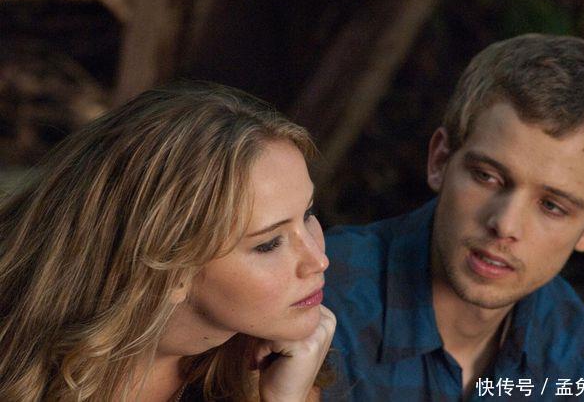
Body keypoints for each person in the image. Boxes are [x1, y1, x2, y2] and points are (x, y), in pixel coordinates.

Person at [322, 34, 584, 401]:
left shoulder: (581, 358)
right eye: (487, 177)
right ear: (440, 160)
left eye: (552, 206)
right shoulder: (321, 294)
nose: (505, 225)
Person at [0, 81, 335, 401]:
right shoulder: (15, 366)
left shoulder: (279, 361)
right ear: (169, 266)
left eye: (307, 214)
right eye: (269, 243)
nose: (319, 260)